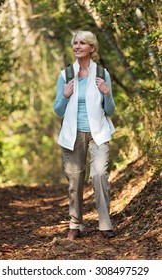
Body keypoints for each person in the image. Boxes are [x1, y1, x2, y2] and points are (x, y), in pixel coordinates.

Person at [53, 30, 116, 240]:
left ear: (92, 47)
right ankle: (75, 223)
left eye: (82, 43)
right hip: (73, 134)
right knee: (75, 180)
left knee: (99, 174)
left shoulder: (101, 74)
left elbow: (110, 109)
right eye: (75, 43)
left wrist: (107, 93)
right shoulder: (66, 75)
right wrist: (65, 96)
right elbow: (58, 110)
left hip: (98, 133)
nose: (77, 46)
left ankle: (105, 223)